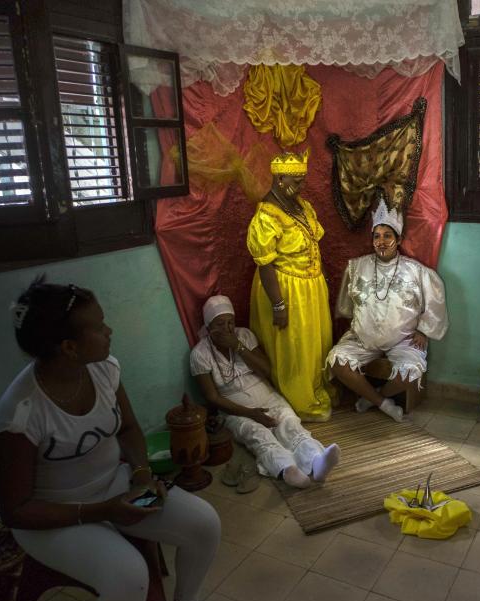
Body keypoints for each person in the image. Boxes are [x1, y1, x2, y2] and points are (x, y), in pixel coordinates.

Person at [0, 277, 220, 601]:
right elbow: (15, 510)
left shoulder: (104, 369)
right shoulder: (21, 411)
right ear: (69, 347)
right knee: (128, 577)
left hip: (118, 489)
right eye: (99, 327)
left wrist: (142, 478)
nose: (109, 330)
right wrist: (105, 510)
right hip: (55, 520)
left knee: (204, 524)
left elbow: (128, 428)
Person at [190, 295, 341, 489]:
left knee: (289, 423)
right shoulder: (199, 354)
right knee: (258, 434)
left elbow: (265, 370)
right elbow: (212, 397)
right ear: (208, 327)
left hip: (268, 397)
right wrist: (251, 414)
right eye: (220, 324)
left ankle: (317, 463)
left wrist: (237, 346)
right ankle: (286, 469)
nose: (227, 328)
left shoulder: (243, 335)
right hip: (235, 410)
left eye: (230, 322)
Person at [327, 198, 448, 421]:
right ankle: (383, 404)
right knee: (336, 360)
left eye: (388, 236)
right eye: (377, 236)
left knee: (412, 371)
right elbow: (348, 306)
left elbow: (435, 300)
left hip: (403, 340)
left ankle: (373, 398)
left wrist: (424, 330)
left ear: (399, 239)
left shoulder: (416, 271)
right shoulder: (357, 267)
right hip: (362, 338)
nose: (381, 242)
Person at [246, 150, 334, 422]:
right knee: (294, 347)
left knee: (314, 343)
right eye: (295, 181)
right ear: (279, 178)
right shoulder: (267, 215)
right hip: (285, 289)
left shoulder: (302, 206)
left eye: (302, 180)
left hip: (310, 288)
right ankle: (298, 399)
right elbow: (265, 264)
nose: (300, 186)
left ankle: (314, 388)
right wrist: (278, 304)